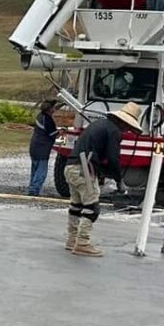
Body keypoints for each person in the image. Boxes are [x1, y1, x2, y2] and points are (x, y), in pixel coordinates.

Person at [64, 102, 142, 257]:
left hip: (71, 166)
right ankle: (83, 243)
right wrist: (118, 178)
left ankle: (72, 239)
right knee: (92, 207)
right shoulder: (114, 131)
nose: (128, 131)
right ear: (124, 122)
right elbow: (113, 158)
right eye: (128, 127)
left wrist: (104, 173)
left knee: (76, 205)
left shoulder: (99, 124)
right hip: (84, 169)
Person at [27, 98, 58, 196]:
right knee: (41, 172)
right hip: (42, 148)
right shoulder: (48, 120)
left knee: (35, 169)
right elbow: (53, 134)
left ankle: (32, 188)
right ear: (51, 109)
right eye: (53, 108)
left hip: (34, 146)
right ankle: (34, 190)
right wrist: (62, 131)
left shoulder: (40, 116)